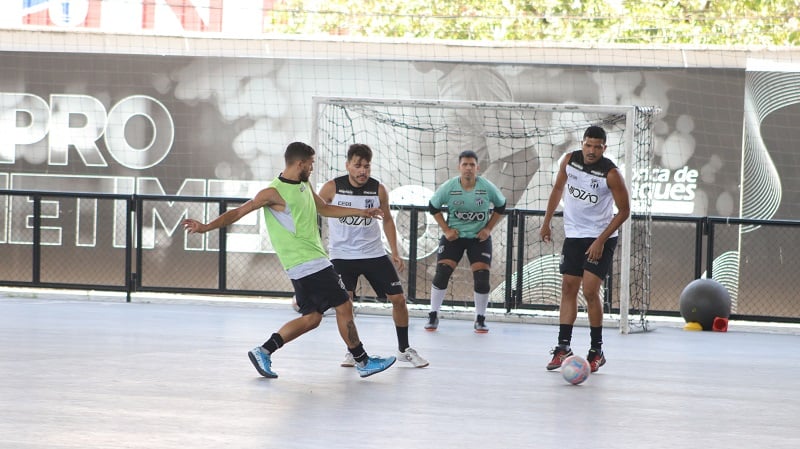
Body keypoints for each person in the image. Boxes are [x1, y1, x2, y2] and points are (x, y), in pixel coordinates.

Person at [181, 142, 396, 379]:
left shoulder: (304, 184)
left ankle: (264, 350)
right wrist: (205, 227)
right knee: (344, 305)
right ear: (300, 163)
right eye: (311, 163)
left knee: (312, 318)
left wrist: (362, 212)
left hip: (307, 263)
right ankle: (363, 361)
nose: (313, 168)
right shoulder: (272, 193)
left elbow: (324, 208)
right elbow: (238, 212)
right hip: (308, 262)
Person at [319, 143, 429, 368]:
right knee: (345, 305)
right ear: (347, 165)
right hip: (341, 255)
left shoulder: (378, 189)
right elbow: (316, 213)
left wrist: (395, 252)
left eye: (367, 166)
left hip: (373, 253)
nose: (362, 171)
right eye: (358, 166)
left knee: (398, 299)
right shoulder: (331, 188)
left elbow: (387, 219)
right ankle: (352, 351)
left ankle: (404, 349)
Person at [539, 126, 631, 373]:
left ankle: (596, 350)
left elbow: (624, 211)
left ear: (604, 148)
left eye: (597, 147)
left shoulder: (610, 173)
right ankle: (563, 347)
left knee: (590, 291)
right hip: (574, 235)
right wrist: (547, 222)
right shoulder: (570, 161)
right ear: (582, 143)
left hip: (600, 237)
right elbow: (558, 189)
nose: (591, 151)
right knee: (569, 287)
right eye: (588, 145)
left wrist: (600, 241)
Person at [425, 150, 507, 333]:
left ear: (477, 167)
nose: (468, 168)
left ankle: (480, 318)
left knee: (482, 276)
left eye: (472, 165)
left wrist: (488, 229)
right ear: (459, 167)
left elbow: (501, 205)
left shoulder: (486, 187)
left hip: (478, 239)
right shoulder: (450, 186)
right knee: (442, 272)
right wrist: (446, 230)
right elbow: (433, 206)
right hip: (455, 238)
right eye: (465, 165)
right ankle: (432, 315)